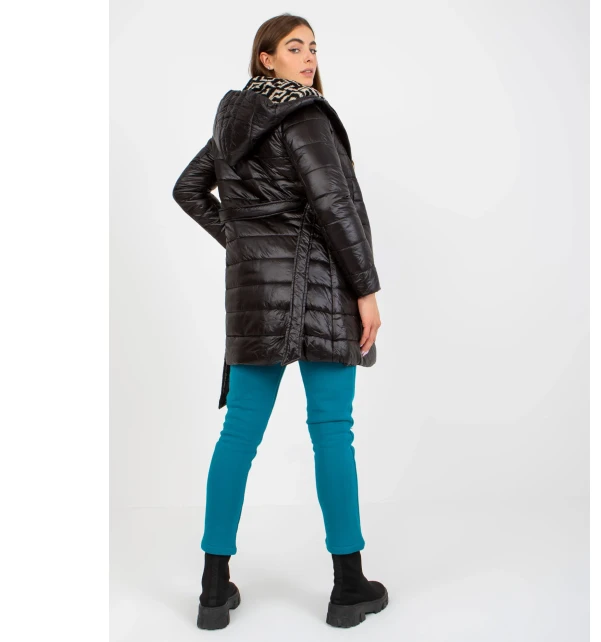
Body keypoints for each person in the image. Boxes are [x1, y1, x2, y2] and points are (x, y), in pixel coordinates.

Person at [172, 13, 388, 631]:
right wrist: (367, 289)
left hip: (252, 295)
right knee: (332, 432)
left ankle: (214, 589)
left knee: (238, 434)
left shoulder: (233, 121)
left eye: (314, 47)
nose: (309, 57)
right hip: (320, 285)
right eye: (295, 47)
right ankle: (349, 586)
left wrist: (247, 243)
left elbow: (189, 189)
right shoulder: (305, 114)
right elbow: (335, 205)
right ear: (265, 58)